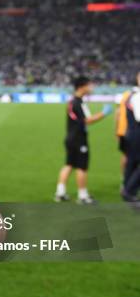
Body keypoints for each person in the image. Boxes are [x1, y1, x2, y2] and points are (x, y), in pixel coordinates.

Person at [54, 76, 112, 204]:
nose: (91, 88)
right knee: (82, 167)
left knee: (69, 164)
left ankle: (60, 192)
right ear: (82, 86)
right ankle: (82, 196)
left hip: (70, 138)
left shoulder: (73, 101)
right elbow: (87, 120)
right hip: (78, 140)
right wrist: (104, 113)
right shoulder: (78, 103)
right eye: (89, 85)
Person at [121, 72, 140, 203]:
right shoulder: (137, 96)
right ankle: (129, 191)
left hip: (132, 133)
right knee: (132, 163)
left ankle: (128, 191)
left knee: (131, 163)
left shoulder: (132, 95)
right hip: (136, 133)